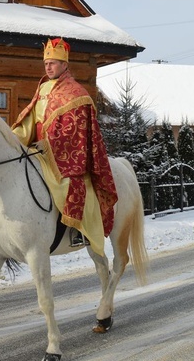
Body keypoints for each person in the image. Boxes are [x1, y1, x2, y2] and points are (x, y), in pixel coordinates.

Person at [12, 38, 117, 256]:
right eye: (46, 62)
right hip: (36, 150)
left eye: (53, 62)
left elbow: (75, 132)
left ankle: (78, 230)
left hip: (64, 157)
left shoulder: (76, 93)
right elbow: (30, 120)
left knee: (70, 183)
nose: (48, 66)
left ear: (64, 64)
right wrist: (12, 140)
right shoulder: (42, 88)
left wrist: (48, 145)